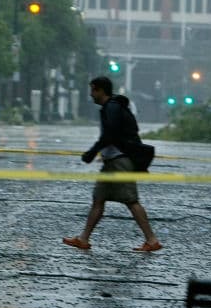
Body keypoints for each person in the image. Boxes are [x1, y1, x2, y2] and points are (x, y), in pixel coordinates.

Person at [63, 76, 162, 252]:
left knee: (131, 201)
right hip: (111, 161)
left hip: (119, 162)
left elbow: (110, 134)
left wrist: (92, 152)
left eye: (93, 90)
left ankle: (152, 240)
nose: (91, 94)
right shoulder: (111, 107)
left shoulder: (113, 107)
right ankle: (83, 239)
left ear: (101, 90)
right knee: (98, 199)